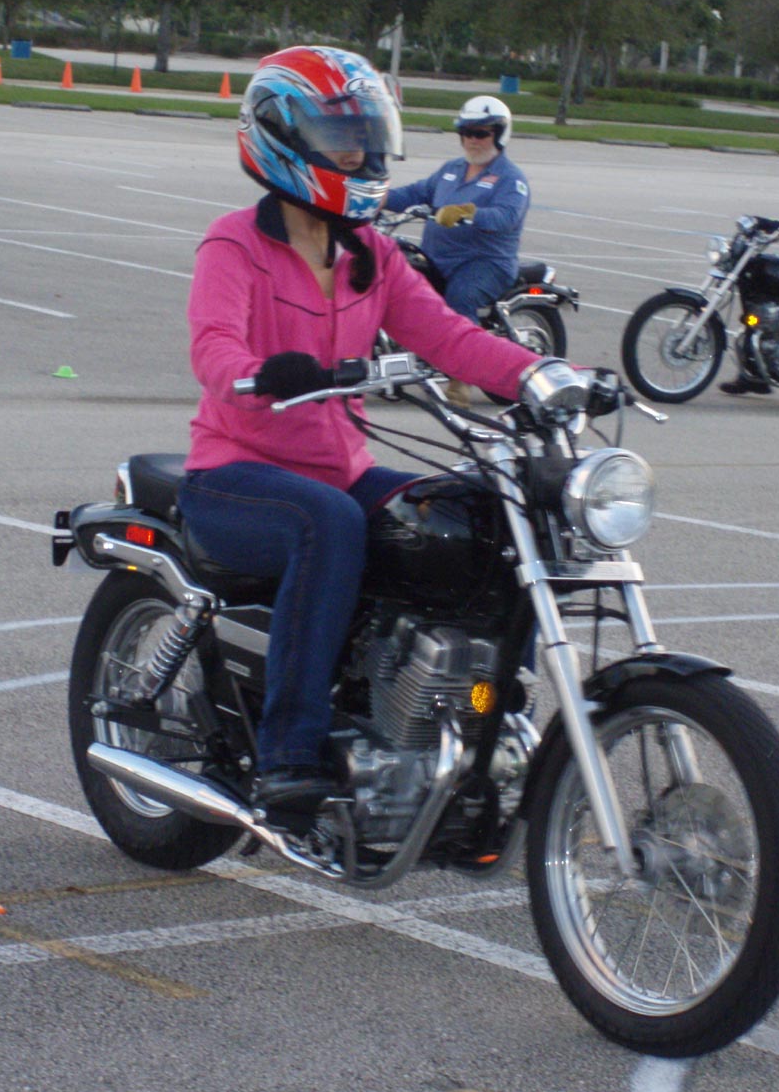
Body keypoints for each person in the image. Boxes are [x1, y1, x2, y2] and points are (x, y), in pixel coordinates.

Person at [177, 47, 565, 822]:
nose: (358, 153)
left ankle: (482, 713)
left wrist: (546, 375)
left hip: (341, 469)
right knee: (327, 523)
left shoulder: (371, 252)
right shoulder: (234, 243)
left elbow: (451, 337)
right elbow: (213, 344)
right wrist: (258, 373)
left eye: (365, 136)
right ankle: (289, 756)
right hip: (235, 472)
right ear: (284, 137)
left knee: (485, 515)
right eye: (339, 136)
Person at [384, 95, 530, 407]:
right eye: (465, 133)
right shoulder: (451, 170)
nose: (471, 140)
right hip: (438, 259)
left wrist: (469, 212)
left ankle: (459, 379)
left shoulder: (511, 179)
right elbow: (415, 193)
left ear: (499, 134)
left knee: (460, 297)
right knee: (398, 281)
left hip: (485, 263)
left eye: (480, 133)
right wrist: (376, 198)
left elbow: (507, 216)